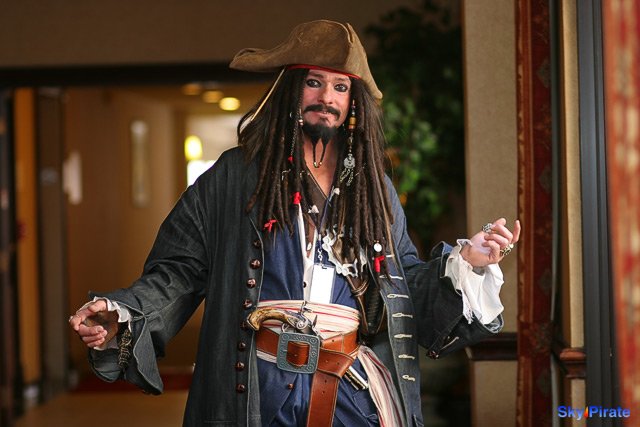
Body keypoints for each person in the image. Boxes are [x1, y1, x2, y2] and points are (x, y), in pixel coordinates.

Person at [69, 19, 520, 427]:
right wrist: (123, 313)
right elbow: (178, 272)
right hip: (256, 392)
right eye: (314, 82)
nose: (327, 98)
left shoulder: (375, 190)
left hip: (351, 396)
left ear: (353, 102)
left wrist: (467, 261)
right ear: (289, 89)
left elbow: (404, 286)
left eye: (340, 87)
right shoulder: (234, 177)